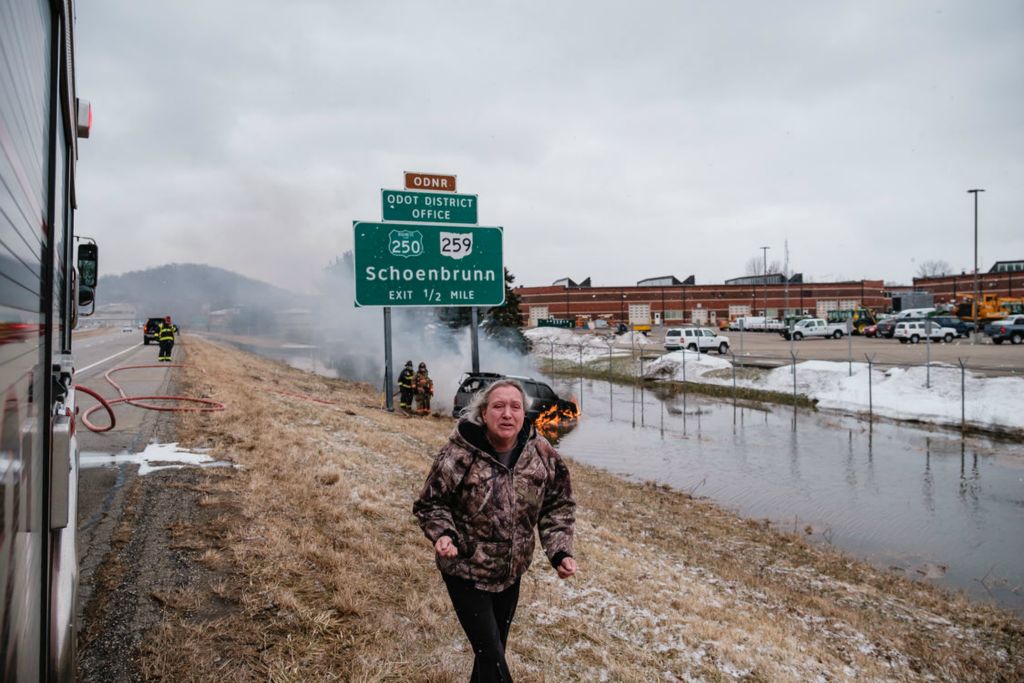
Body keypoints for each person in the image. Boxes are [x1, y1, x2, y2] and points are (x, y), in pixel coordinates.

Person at [413, 379, 577, 682]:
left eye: (515, 407)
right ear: (483, 414)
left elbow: (558, 505)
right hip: (465, 570)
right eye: (498, 406)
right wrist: (443, 533)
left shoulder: (541, 453)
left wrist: (559, 551)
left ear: (524, 414)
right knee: (491, 655)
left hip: (510, 572)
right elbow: (430, 504)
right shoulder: (459, 454)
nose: (507, 413)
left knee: (492, 653)